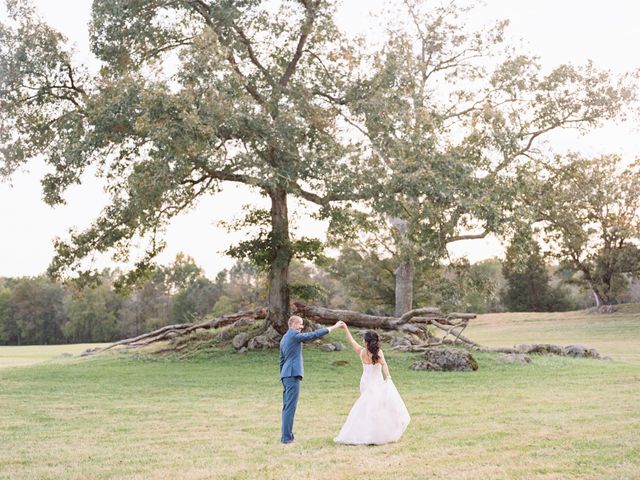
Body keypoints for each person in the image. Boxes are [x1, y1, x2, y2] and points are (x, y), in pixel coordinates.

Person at [334, 325, 410, 445]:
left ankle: (366, 432)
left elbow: (351, 340)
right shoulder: (378, 352)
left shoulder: (362, 352)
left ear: (366, 341)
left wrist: (346, 329)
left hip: (365, 382)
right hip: (376, 382)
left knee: (367, 408)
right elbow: (384, 365)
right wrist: (388, 377)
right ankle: (375, 433)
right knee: (377, 408)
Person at [279, 315, 345, 444]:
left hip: (286, 375)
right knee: (290, 407)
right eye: (300, 324)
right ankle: (286, 438)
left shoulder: (284, 338)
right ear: (292, 324)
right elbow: (313, 335)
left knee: (287, 407)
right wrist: (334, 327)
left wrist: (282, 375)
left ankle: (288, 436)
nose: (302, 327)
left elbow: (281, 360)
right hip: (292, 375)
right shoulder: (293, 335)